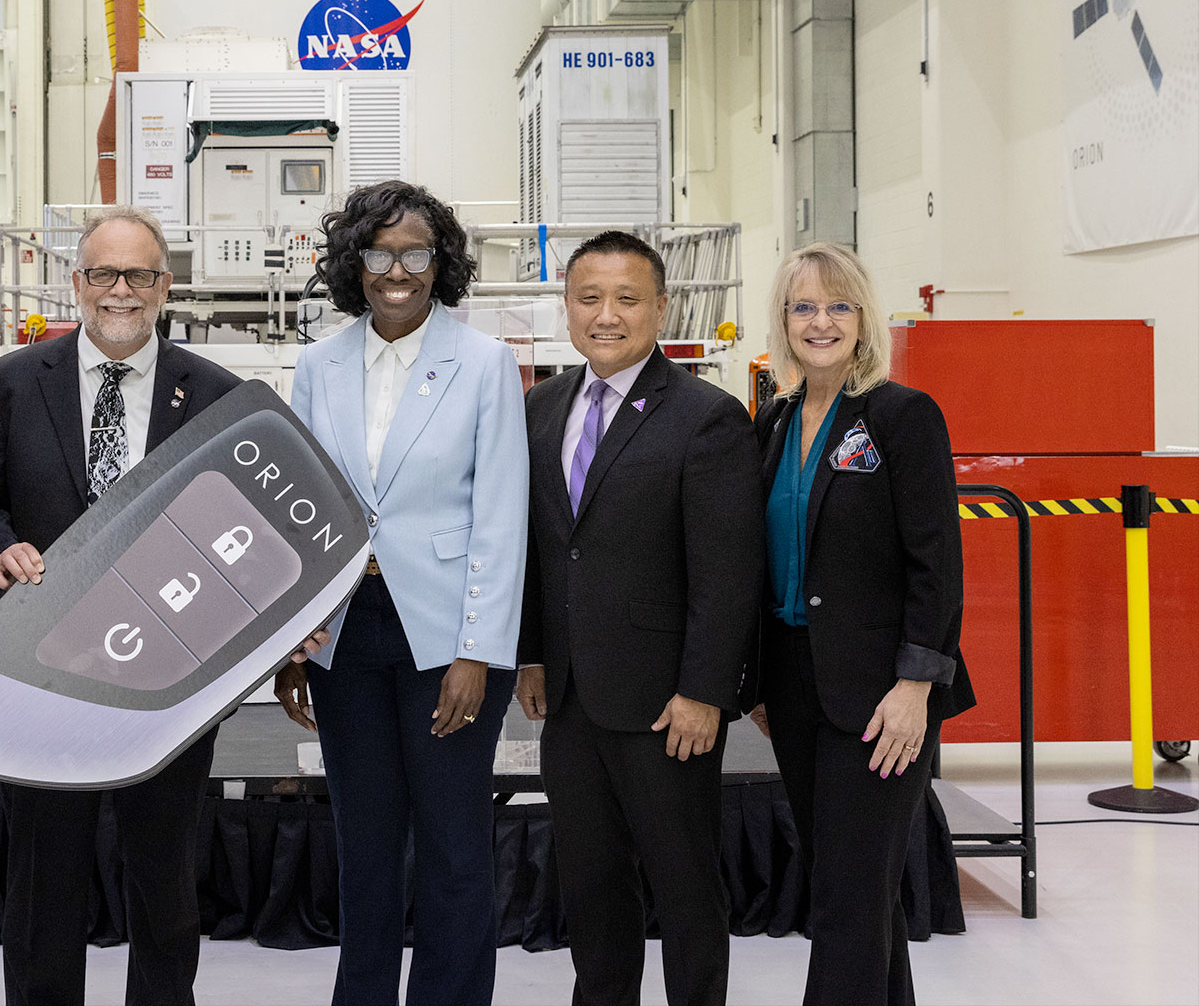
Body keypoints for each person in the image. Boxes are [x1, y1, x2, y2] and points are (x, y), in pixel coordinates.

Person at [0, 205, 257, 1006]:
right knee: (44, 882)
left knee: (164, 883)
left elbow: (237, 534)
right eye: (104, 274)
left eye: (141, 275)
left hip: (169, 684)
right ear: (77, 283)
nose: (122, 292)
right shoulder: (15, 382)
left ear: (166, 286)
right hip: (42, 674)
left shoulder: (217, 395)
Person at [273, 179, 529, 1006]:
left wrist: (479, 652)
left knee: (455, 847)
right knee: (365, 845)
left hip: (446, 635)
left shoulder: (485, 364)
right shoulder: (318, 365)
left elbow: (499, 516)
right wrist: (290, 641)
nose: (397, 270)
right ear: (355, 262)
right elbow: (299, 512)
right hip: (344, 633)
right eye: (380, 253)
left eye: (416, 253)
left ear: (440, 262)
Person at [516, 230, 761, 1006]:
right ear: (567, 309)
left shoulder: (706, 416)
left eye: (627, 299)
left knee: (685, 887)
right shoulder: (540, 408)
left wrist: (705, 691)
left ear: (661, 307)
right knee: (592, 886)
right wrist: (529, 655)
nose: (607, 315)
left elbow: (728, 574)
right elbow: (539, 547)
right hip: (570, 699)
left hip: (667, 703)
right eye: (589, 298)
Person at [753, 242, 974, 1006]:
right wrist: (756, 681)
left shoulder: (902, 416)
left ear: (863, 317)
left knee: (847, 899)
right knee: (854, 887)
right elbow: (768, 562)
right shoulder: (776, 421)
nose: (821, 321)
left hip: (882, 696)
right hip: (795, 688)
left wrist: (917, 684)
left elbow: (937, 566)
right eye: (804, 306)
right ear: (783, 321)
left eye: (838, 305)